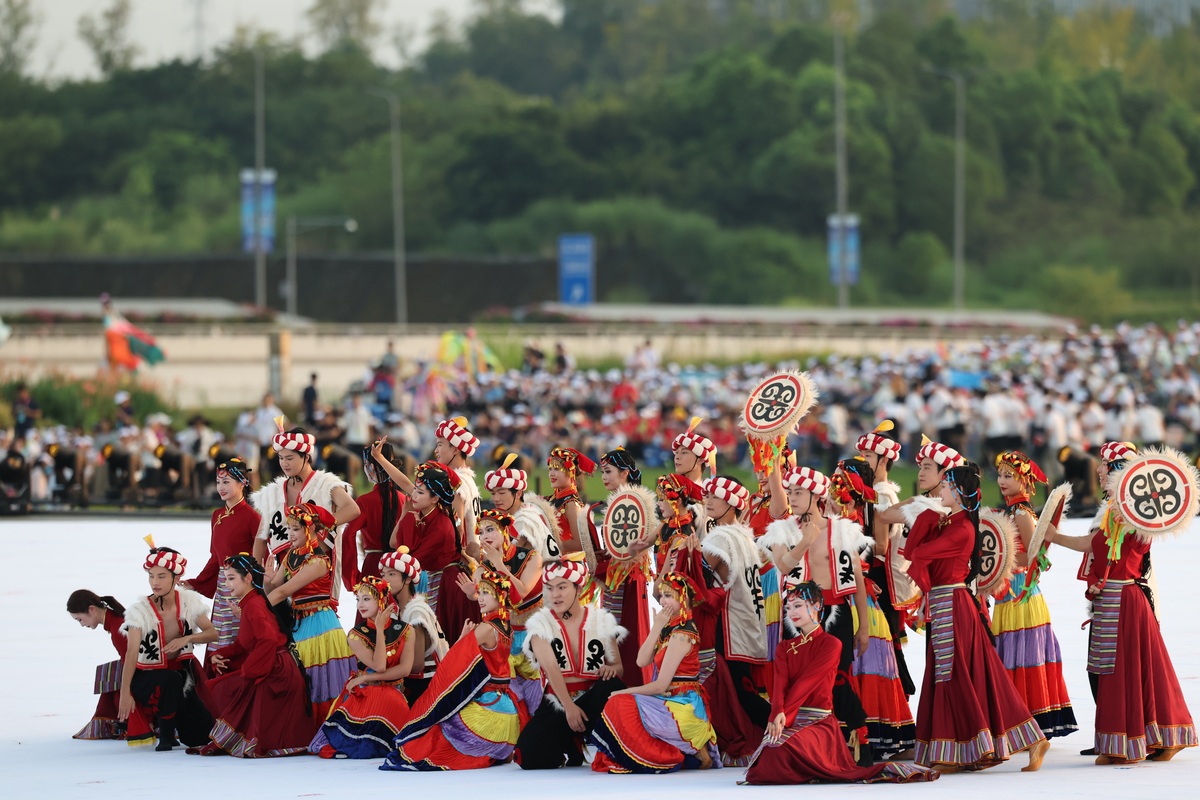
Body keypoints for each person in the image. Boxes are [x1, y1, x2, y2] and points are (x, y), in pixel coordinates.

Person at [1047, 441, 1197, 764]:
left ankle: (1125, 743)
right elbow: (1098, 545)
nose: (1098, 470)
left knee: (1120, 672)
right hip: (1121, 596)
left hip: (1122, 598)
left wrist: (1054, 537)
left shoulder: (1125, 511)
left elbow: (1096, 546)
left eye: (1104, 465)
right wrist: (1055, 537)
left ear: (1117, 471)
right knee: (1138, 670)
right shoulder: (1125, 510)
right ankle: (1154, 737)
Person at [902, 463, 1049, 773]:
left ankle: (962, 746)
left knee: (955, 673)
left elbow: (919, 554)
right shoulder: (948, 522)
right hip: (946, 603)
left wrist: (928, 518)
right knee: (973, 674)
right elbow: (913, 552)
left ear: (957, 491)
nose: (939, 490)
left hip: (953, 604)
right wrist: (929, 517)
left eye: (944, 486)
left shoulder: (962, 529)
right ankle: (1025, 739)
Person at [741, 580, 937, 785]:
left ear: (817, 606)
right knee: (766, 762)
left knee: (779, 754)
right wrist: (776, 715)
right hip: (790, 719)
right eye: (788, 607)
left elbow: (807, 683)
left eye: (798, 606)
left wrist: (783, 715)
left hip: (819, 723)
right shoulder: (784, 647)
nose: (792, 612)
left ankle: (812, 765)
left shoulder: (831, 644)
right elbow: (780, 685)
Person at [759, 463, 875, 765]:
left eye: (800, 492)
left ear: (817, 496)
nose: (793, 497)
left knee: (838, 680)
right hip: (797, 614)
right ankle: (803, 745)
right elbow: (783, 566)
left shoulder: (842, 529)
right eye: (791, 491)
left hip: (836, 611)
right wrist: (806, 541)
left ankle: (858, 741)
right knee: (797, 680)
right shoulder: (782, 529)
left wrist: (863, 627)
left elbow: (858, 582)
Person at [381, 567, 529, 771]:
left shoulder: (485, 629)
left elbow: (454, 662)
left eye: (487, 593)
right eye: (481, 592)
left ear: (500, 596)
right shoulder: (506, 628)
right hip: (507, 708)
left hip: (487, 712)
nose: (481, 598)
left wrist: (461, 638)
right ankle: (499, 750)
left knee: (437, 725)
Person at [828, 458, 916, 760]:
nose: (836, 483)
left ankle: (879, 734)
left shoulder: (871, 510)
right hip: (846, 592)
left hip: (862, 591)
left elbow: (880, 548)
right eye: (836, 478)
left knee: (870, 664)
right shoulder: (832, 513)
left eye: (842, 478)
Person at [589, 572, 720, 773]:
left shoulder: (683, 634)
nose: (662, 601)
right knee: (619, 703)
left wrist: (624, 692)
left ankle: (668, 757)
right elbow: (641, 661)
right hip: (667, 698)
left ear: (683, 598)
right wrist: (656, 626)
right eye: (661, 596)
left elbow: (660, 685)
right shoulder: (669, 628)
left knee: (619, 702)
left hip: (681, 705)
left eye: (669, 596)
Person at [991, 451, 1078, 739]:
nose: (1002, 481)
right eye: (1001, 475)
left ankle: (1030, 720)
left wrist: (997, 562)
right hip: (1009, 594)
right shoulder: (1012, 511)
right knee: (1014, 656)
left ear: (1024, 480)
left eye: (1009, 476)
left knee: (1022, 655)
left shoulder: (1020, 513)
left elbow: (1031, 557)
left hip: (1019, 593)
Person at [194, 553, 315, 757]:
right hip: (272, 665)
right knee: (221, 688)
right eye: (226, 579)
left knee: (224, 689)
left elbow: (268, 640)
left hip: (277, 672)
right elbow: (245, 643)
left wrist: (249, 670)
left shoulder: (254, 605)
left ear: (248, 578)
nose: (227, 584)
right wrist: (220, 654)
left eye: (232, 578)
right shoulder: (250, 603)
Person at [516, 557, 626, 769]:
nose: (554, 594)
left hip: (594, 699)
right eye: (549, 588)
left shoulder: (601, 620)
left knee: (612, 688)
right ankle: (568, 742)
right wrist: (569, 707)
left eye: (562, 587)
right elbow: (551, 668)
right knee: (527, 755)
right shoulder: (540, 624)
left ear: (578, 587)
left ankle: (609, 742)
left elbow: (618, 666)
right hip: (559, 702)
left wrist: (610, 669)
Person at [698, 475, 776, 765]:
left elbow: (696, 573)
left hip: (727, 625)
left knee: (739, 693)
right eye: (707, 496)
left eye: (715, 498)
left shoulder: (720, 537)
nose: (708, 501)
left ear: (731, 504)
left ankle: (787, 732)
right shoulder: (745, 535)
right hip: (750, 623)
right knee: (742, 691)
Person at [119, 542, 216, 752]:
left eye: (161, 576)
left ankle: (176, 730)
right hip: (147, 677)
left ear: (176, 578)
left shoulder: (188, 601)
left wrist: (185, 639)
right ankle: (165, 735)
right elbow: (132, 653)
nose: (155, 582)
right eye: (151, 576)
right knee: (170, 679)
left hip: (181, 675)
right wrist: (125, 692)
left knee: (201, 734)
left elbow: (212, 633)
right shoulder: (139, 610)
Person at [264, 503, 357, 720]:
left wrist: (254, 609)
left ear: (311, 529)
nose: (290, 533)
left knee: (318, 680)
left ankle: (322, 725)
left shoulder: (318, 561)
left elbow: (284, 591)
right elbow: (275, 588)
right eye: (289, 529)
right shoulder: (290, 556)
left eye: (295, 529)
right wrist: (267, 581)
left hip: (320, 625)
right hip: (300, 623)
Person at [312, 575, 415, 759]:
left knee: (394, 706)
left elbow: (405, 670)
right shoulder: (355, 635)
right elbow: (380, 665)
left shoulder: (406, 630)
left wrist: (366, 677)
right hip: (368, 693)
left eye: (366, 599)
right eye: (358, 599)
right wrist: (381, 630)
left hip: (392, 690)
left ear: (381, 600)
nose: (360, 604)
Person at [854, 421, 919, 698]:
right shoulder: (877, 492)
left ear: (883, 460)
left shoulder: (881, 493)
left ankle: (899, 694)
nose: (863, 461)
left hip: (879, 574)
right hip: (878, 572)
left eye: (869, 456)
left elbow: (880, 544)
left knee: (886, 641)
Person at [458, 509, 545, 711]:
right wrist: (473, 595)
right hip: (505, 640)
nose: (485, 536)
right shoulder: (481, 569)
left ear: (505, 531)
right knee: (514, 700)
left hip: (534, 639)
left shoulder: (531, 558)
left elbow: (519, 594)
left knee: (538, 701)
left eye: (490, 530)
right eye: (481, 532)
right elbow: (489, 605)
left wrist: (500, 565)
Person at [385, 459, 479, 642]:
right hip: (436, 579)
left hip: (450, 586)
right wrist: (405, 514)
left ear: (435, 498)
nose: (413, 496)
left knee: (446, 639)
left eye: (420, 492)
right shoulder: (422, 516)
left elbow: (412, 561)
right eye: (414, 491)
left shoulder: (441, 527)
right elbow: (394, 543)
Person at [186, 457, 260, 674]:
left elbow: (260, 559)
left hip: (243, 586)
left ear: (242, 483)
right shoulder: (217, 515)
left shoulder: (252, 517)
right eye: (218, 482)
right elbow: (214, 557)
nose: (221, 487)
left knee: (240, 635)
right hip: (222, 586)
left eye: (226, 482)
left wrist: (252, 594)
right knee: (219, 635)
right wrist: (195, 583)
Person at [251, 421, 359, 566]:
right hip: (284, 569)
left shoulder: (325, 483)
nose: (284, 463)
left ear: (306, 457)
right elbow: (261, 537)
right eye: (281, 458)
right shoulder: (274, 491)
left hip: (317, 568)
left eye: (289, 458)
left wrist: (321, 522)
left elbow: (352, 509)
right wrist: (256, 574)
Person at [594, 447, 651, 687]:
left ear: (625, 473)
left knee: (626, 638)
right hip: (616, 579)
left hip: (627, 580)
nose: (604, 477)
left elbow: (632, 553)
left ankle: (628, 688)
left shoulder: (635, 503)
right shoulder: (620, 501)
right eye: (602, 472)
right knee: (614, 635)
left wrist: (602, 566)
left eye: (608, 471)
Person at [66, 590, 152, 743]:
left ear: (92, 609)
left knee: (116, 693)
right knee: (110, 678)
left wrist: (126, 693)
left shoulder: (118, 627)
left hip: (149, 675)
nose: (81, 624)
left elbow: (133, 661)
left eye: (80, 619)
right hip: (146, 670)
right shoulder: (115, 621)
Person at [379, 546, 449, 704]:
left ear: (408, 578)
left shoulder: (417, 613)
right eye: (383, 575)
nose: (385, 580)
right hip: (409, 683)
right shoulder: (395, 611)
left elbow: (417, 664)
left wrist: (379, 672)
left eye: (392, 574)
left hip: (426, 688)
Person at [341, 441, 408, 595]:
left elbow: (348, 536)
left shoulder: (365, 502)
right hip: (401, 566)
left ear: (371, 467)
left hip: (373, 567)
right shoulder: (405, 500)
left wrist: (351, 578)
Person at [545, 446, 603, 571]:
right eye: (550, 469)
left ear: (570, 471)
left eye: (557, 469)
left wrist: (545, 544)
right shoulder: (551, 499)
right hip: (554, 564)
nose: (552, 473)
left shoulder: (571, 504)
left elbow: (578, 544)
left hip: (569, 568)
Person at [671, 417, 717, 532]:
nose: (677, 456)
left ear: (701, 459)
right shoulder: (670, 488)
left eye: (684, 452)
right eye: (676, 452)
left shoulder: (708, 496)